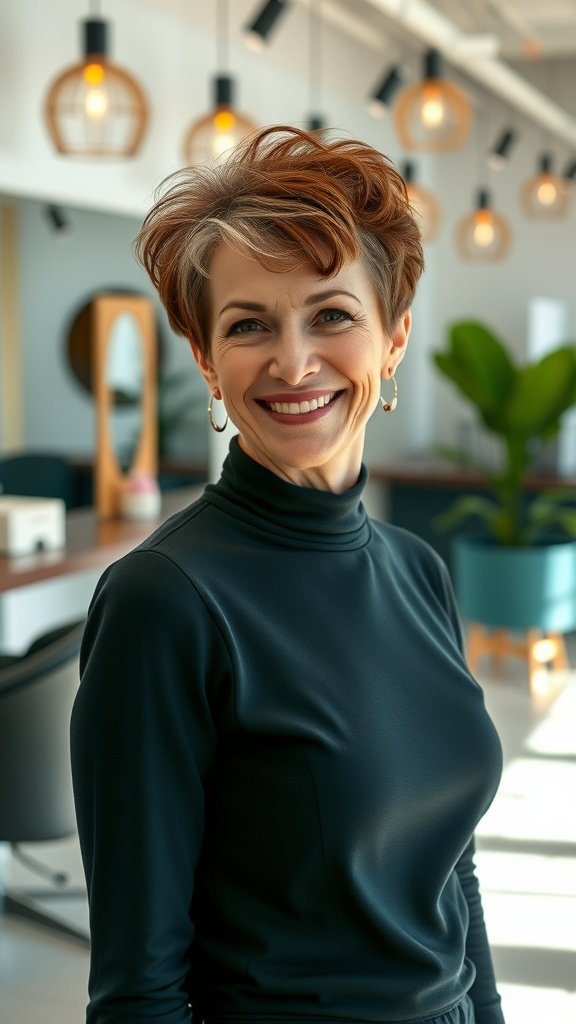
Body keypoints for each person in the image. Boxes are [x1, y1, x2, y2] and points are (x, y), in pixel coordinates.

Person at [71, 125, 505, 1024]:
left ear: (392, 342)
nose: (293, 360)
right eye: (248, 325)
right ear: (206, 361)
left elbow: (450, 870)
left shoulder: (418, 572)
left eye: (332, 314)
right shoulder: (166, 602)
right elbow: (137, 986)